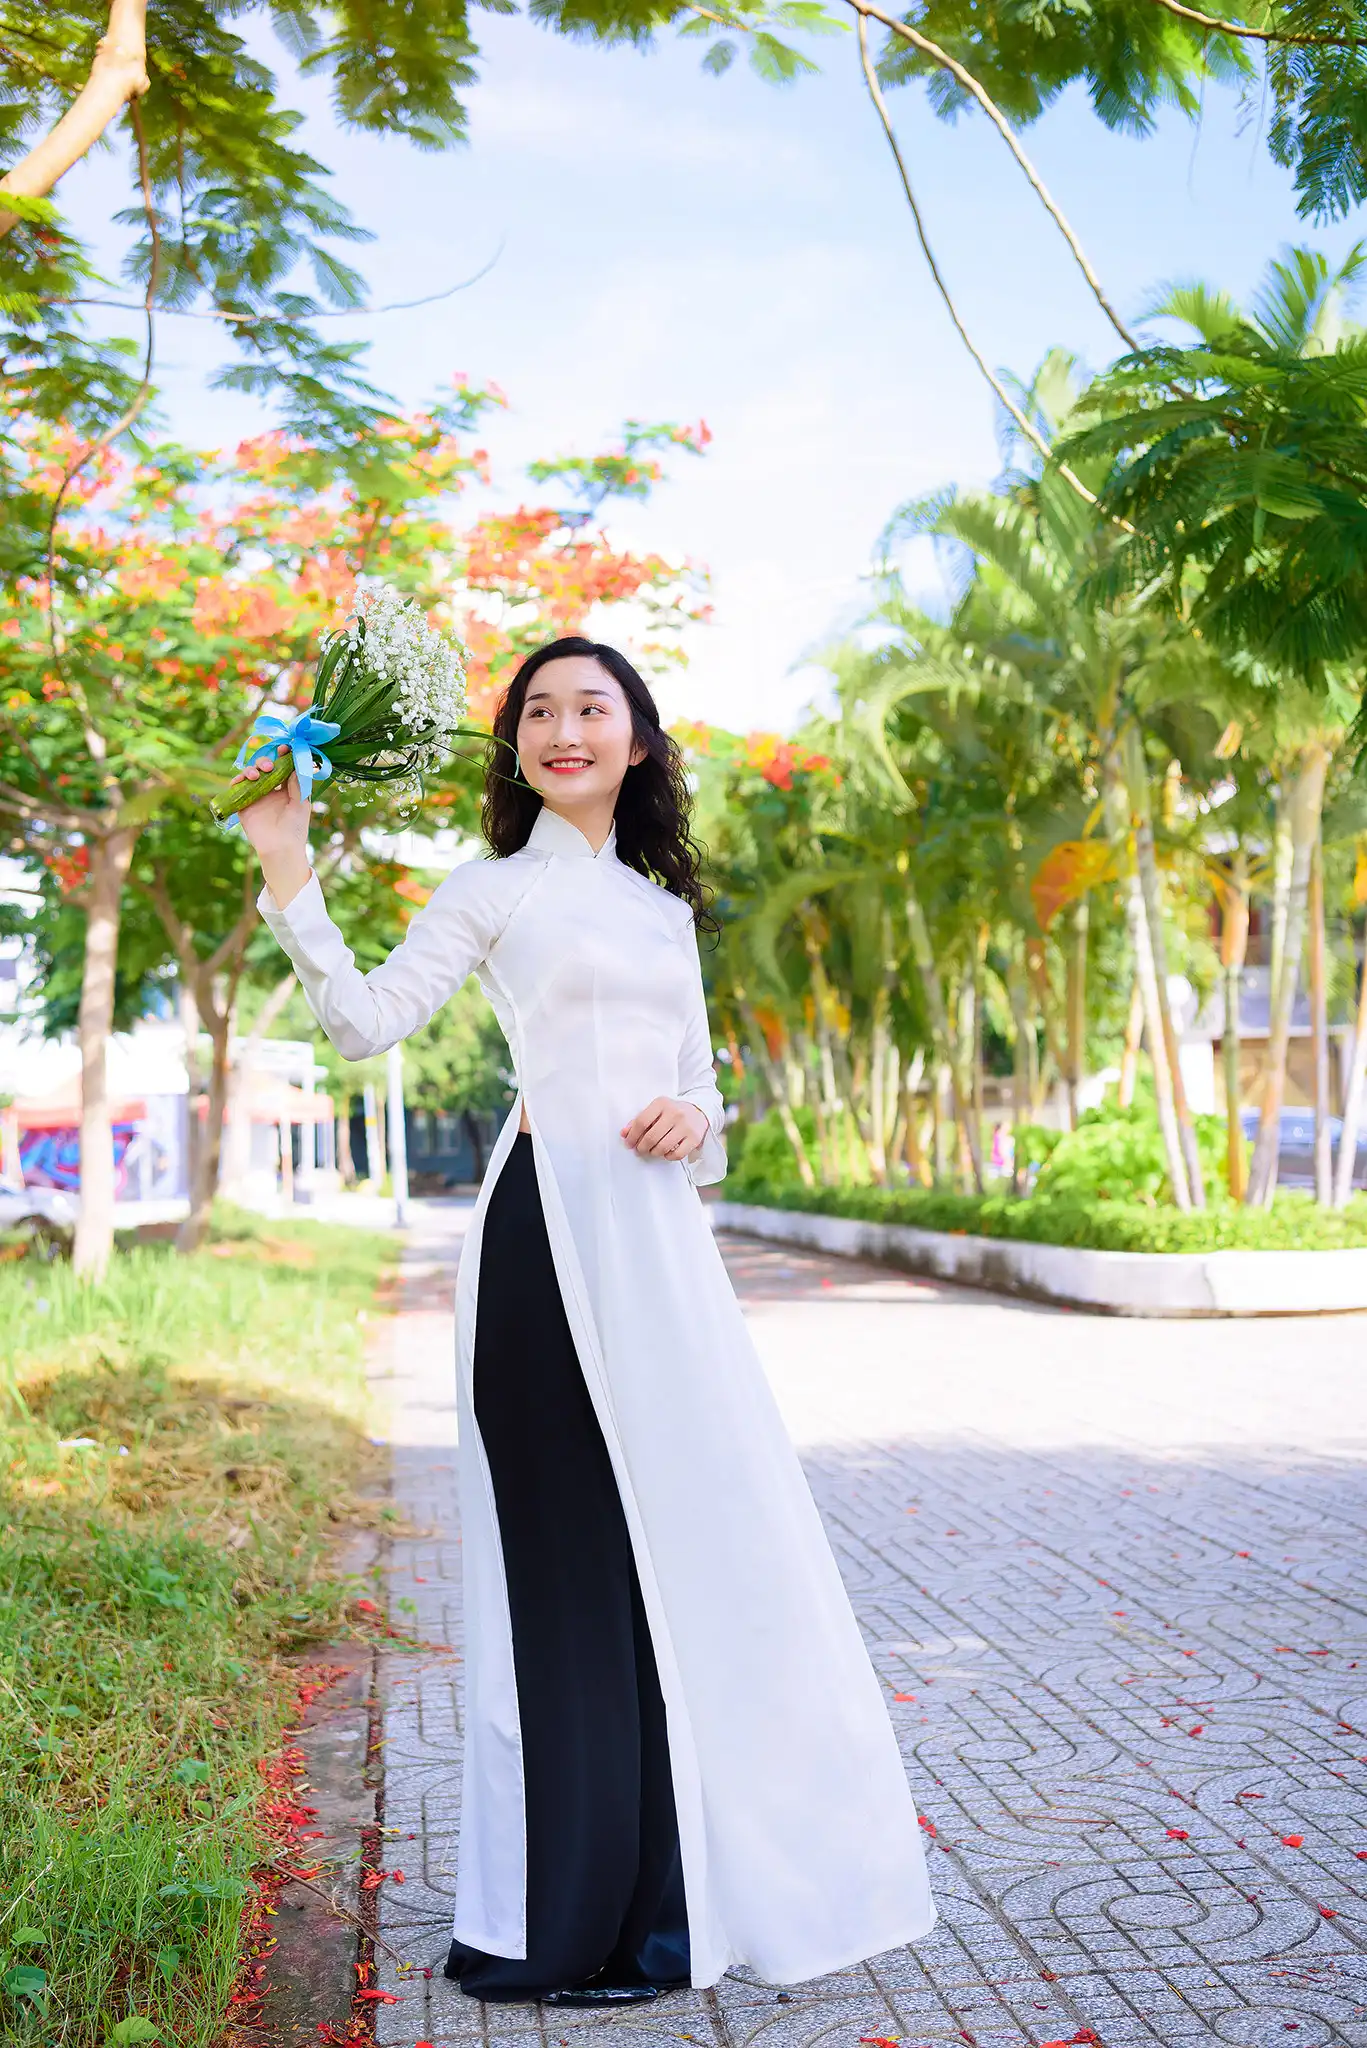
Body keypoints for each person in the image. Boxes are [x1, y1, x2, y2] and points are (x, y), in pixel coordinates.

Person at [241, 635, 936, 2008]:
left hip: (657, 1260)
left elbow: (700, 1106)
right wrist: (287, 869)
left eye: (590, 707)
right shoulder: (493, 889)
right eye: (538, 711)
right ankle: (568, 1923)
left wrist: (696, 1116)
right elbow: (367, 1024)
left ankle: (671, 1914)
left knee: (675, 1563)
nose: (563, 729)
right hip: (544, 1245)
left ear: (637, 740)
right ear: (516, 746)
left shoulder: (664, 914)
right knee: (566, 1583)